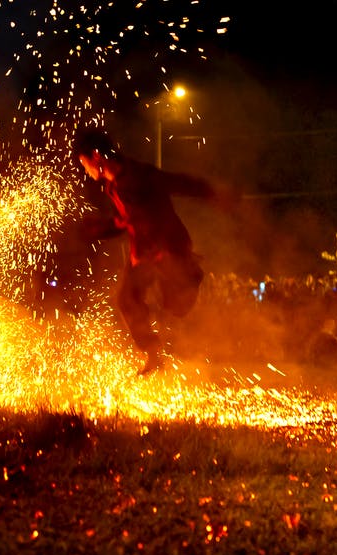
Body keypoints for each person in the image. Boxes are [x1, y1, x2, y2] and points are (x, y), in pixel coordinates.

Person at [73, 127, 231, 374]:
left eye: (84, 163)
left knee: (176, 308)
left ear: (96, 157)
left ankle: (191, 274)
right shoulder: (112, 187)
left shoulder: (140, 175)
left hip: (167, 248)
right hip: (143, 254)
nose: (85, 170)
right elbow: (125, 220)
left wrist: (214, 193)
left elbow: (178, 182)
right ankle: (154, 352)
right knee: (127, 299)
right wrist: (100, 229)